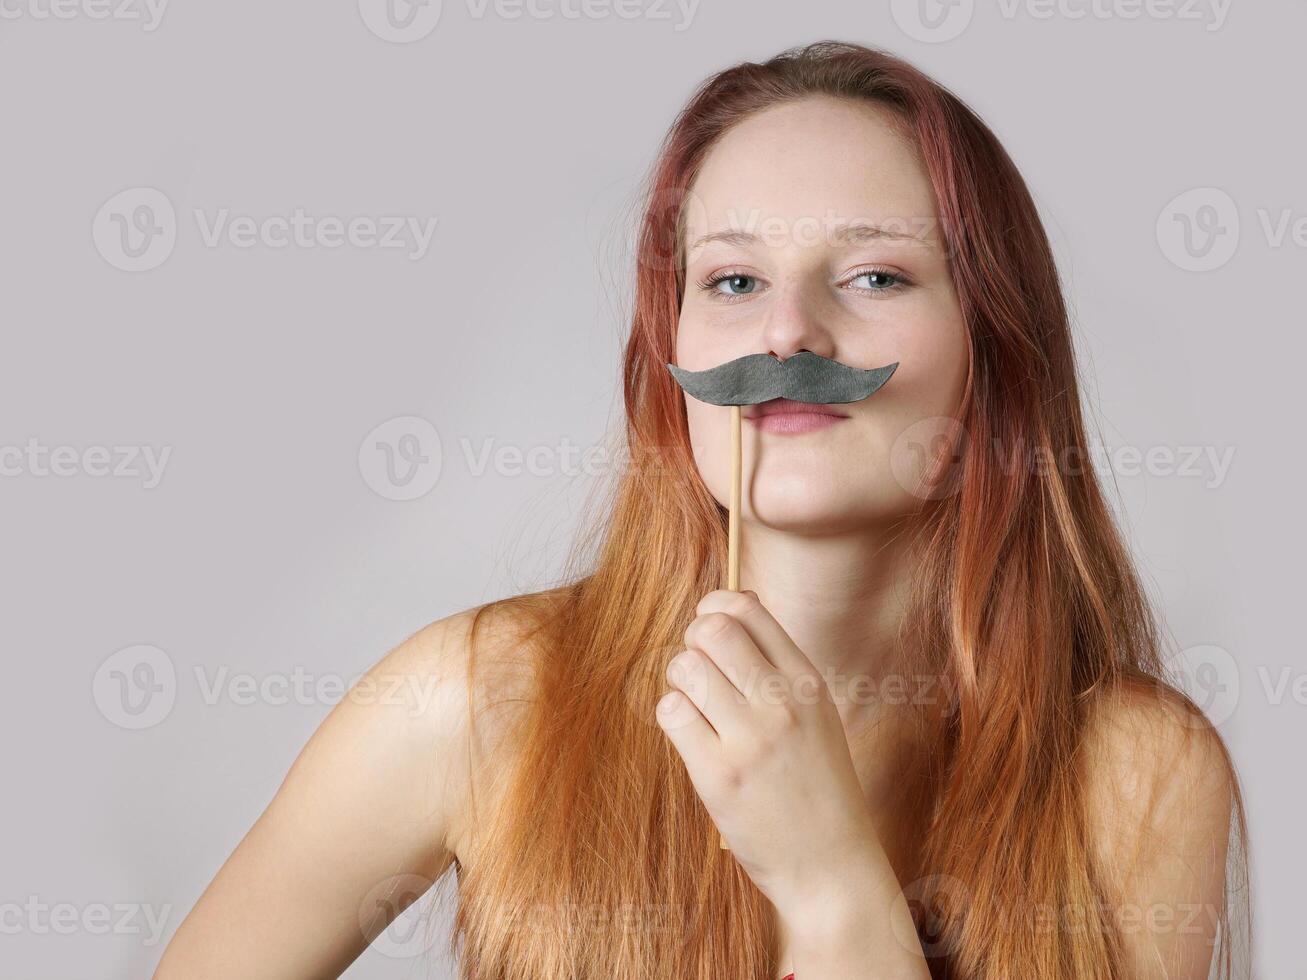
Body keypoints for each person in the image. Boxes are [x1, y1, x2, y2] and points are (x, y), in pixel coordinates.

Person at [154, 40, 1249, 980]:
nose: (787, 337)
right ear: (668, 351)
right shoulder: (478, 699)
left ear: (995, 350)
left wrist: (831, 889)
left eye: (873, 277)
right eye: (732, 281)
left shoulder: (1135, 774)